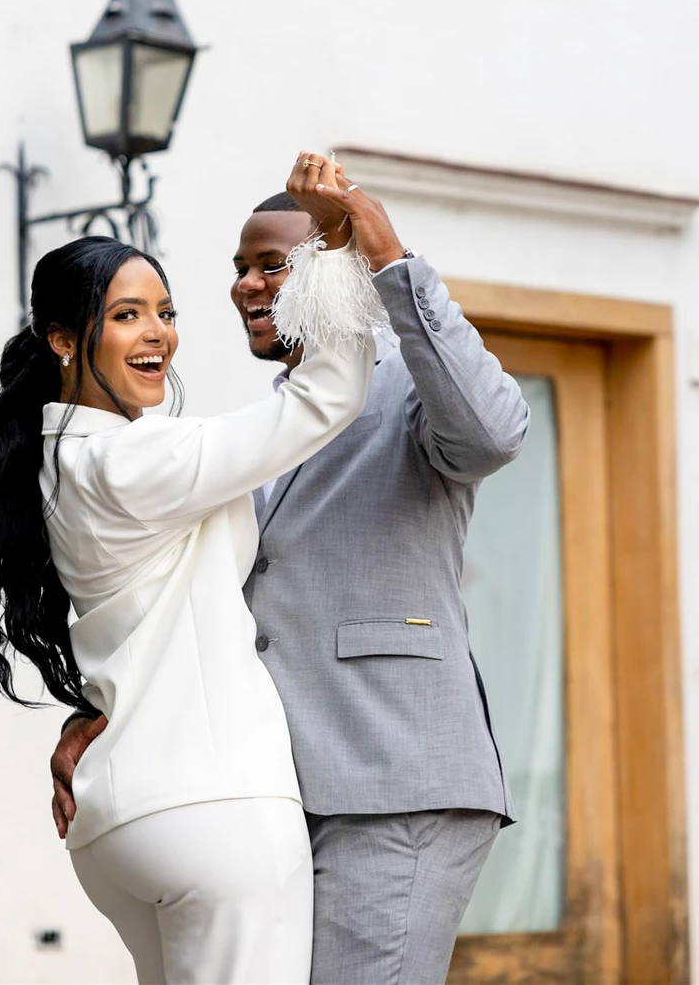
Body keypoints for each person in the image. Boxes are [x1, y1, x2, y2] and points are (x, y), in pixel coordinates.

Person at [52, 174, 531, 985]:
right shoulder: (266, 430)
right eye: (238, 266)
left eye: (270, 264)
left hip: (393, 779)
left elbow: (495, 431)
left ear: (329, 267)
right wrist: (101, 710)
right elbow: (196, 601)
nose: (243, 284)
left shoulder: (406, 384)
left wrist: (386, 258)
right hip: (277, 794)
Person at [0, 151, 384, 985]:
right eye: (126, 315)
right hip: (215, 809)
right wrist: (336, 238)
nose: (158, 332)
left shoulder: (56, 462)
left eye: (164, 311)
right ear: (62, 338)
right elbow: (327, 396)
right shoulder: (135, 457)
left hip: (119, 823)